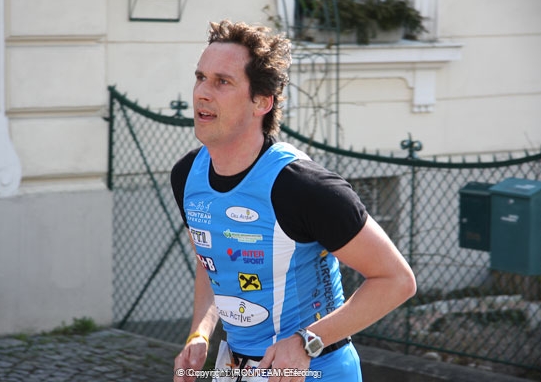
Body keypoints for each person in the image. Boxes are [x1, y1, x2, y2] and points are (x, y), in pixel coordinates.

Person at [171, 20, 416, 382]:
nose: (202, 93)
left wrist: (307, 341)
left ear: (262, 102)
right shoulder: (187, 175)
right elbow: (211, 262)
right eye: (200, 77)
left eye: (222, 82)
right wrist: (200, 332)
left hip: (316, 371)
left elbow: (396, 280)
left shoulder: (303, 187)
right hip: (237, 370)